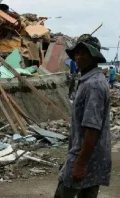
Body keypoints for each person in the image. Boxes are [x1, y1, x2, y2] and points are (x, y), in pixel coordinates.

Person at [54, 34, 111, 198]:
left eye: (83, 53)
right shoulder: (91, 80)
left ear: (93, 56)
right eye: (77, 53)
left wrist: (80, 163)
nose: (78, 57)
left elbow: (92, 128)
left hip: (84, 157)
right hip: (93, 158)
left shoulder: (93, 85)